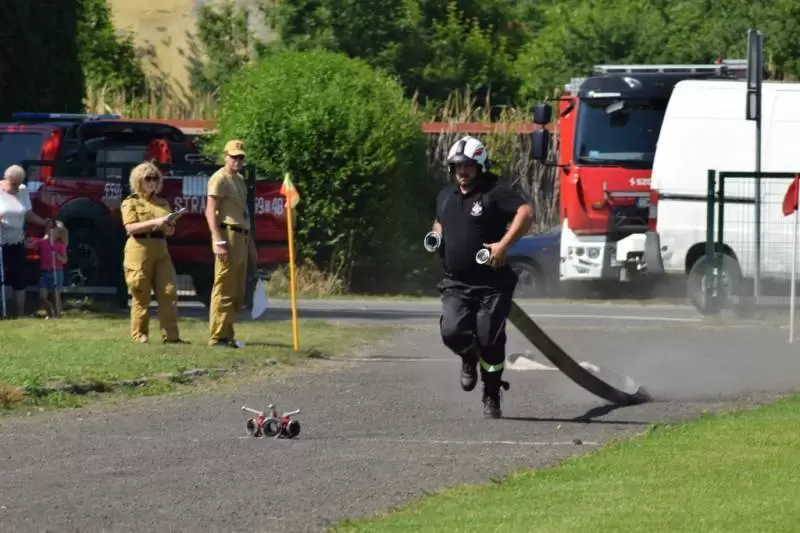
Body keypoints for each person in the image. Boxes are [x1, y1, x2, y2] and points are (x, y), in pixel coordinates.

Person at [431, 136, 534, 418]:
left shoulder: (494, 193)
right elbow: (440, 221)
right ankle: (468, 356)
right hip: (456, 282)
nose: (462, 171)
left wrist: (503, 246)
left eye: (468, 166)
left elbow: (526, 212)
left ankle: (491, 393)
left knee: (490, 339)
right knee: (452, 332)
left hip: (492, 284)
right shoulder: (445, 196)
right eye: (457, 166)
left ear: (480, 166)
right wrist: (437, 237)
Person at [120, 161, 187, 344]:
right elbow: (130, 227)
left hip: (160, 247)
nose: (152, 182)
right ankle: (139, 334)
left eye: (155, 178)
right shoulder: (130, 202)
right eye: (148, 178)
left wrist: (169, 225)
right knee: (140, 291)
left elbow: (170, 231)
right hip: (139, 248)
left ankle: (172, 336)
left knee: (168, 291)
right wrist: (155, 223)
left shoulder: (162, 203)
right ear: (138, 180)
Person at [204, 139, 256, 348]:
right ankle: (217, 335)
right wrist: (217, 239)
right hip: (228, 233)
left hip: (242, 235)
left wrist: (251, 244)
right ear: (225, 157)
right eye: (234, 157)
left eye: (240, 157)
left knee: (237, 290)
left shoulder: (240, 180)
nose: (237, 161)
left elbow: (244, 213)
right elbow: (210, 210)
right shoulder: (219, 179)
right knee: (224, 285)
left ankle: (228, 333)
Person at [0, 164, 52, 318]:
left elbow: (28, 214)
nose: (16, 188)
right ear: (6, 179)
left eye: (18, 184)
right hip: (1, 240)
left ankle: (20, 314)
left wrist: (43, 222)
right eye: (13, 184)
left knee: (19, 276)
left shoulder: (23, 191)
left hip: (17, 240)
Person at [26, 220, 68, 318]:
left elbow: (65, 260)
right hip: (44, 272)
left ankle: (58, 315)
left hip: (57, 272)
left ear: (59, 233)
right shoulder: (42, 242)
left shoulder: (60, 245)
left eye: (54, 229)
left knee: (56, 295)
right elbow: (29, 245)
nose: (51, 231)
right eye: (49, 229)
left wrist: (58, 257)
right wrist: (28, 239)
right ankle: (50, 311)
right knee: (42, 297)